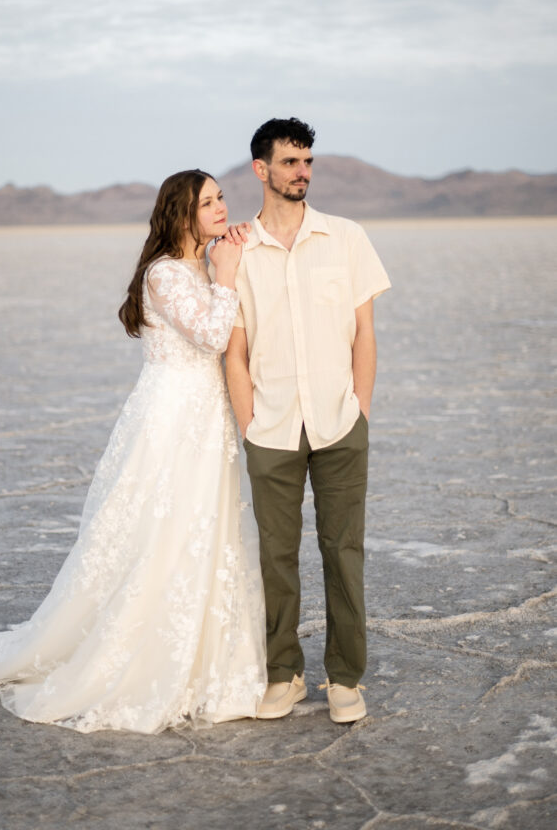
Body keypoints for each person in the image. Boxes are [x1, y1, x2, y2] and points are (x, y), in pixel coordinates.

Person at [0, 170, 266, 734]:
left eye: (222, 198)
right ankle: (144, 656)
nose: (222, 208)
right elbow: (214, 337)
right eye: (209, 202)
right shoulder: (166, 274)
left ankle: (211, 659)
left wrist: (226, 260)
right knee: (162, 531)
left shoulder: (202, 263)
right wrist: (228, 272)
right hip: (171, 419)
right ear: (182, 213)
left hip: (206, 416)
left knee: (205, 528)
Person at [224, 118, 391, 724]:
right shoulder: (239, 250)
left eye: (308, 162)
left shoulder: (345, 238)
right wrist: (248, 423)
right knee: (276, 556)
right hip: (270, 427)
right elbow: (234, 349)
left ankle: (345, 679)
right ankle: (283, 674)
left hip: (340, 422)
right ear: (261, 169)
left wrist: (360, 409)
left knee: (344, 550)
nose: (302, 173)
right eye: (290, 162)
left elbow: (365, 333)